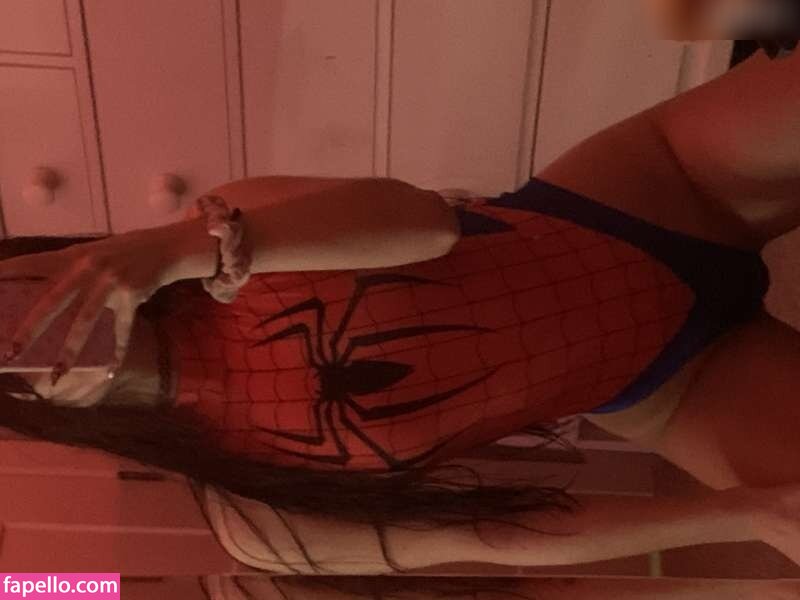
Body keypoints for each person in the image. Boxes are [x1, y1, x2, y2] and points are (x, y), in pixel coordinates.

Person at [1, 45, 800, 577]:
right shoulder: (256, 518)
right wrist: (742, 512)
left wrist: (171, 251)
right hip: (676, 386)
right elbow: (493, 535)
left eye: (10, 293)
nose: (33, 323)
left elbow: (424, 221)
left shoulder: (214, 229)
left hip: (641, 193)